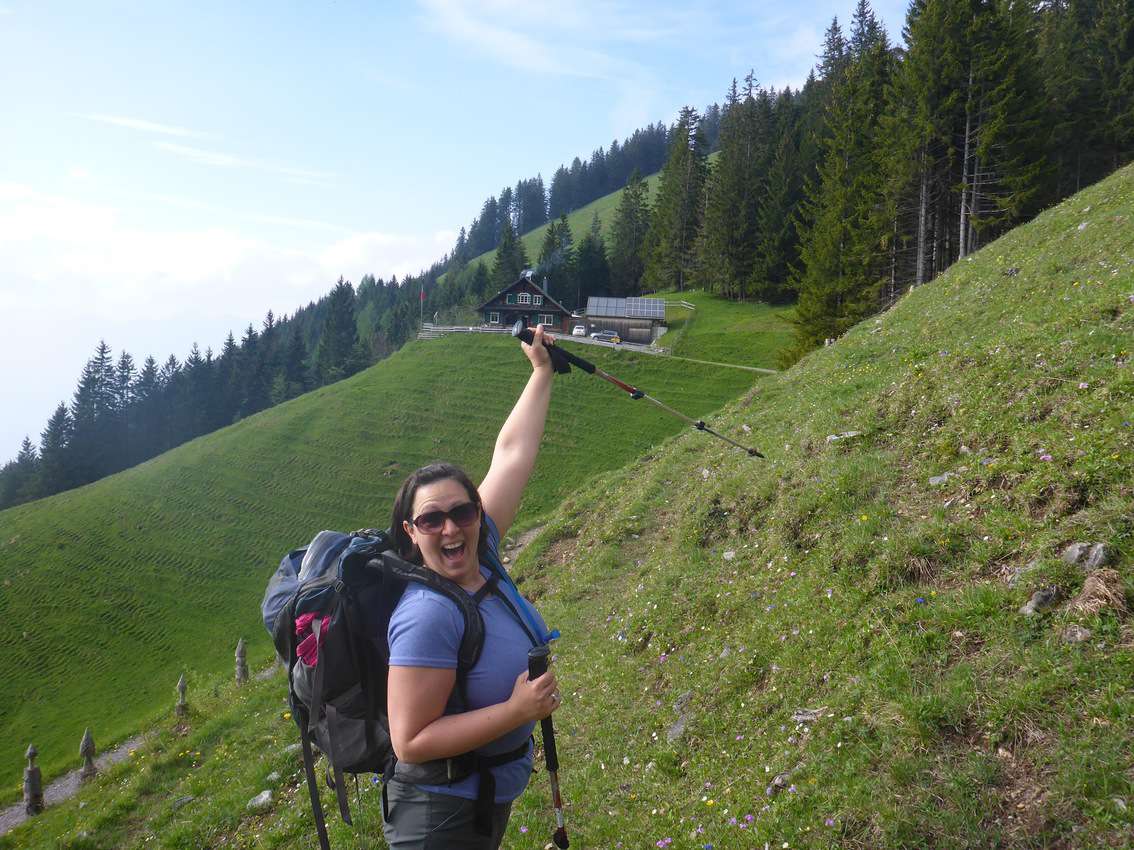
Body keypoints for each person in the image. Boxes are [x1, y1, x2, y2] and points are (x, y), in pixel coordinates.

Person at [382, 324, 561, 849]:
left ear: (479, 513)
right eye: (431, 520)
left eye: (462, 511)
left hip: (479, 799)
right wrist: (516, 712)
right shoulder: (426, 614)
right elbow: (410, 741)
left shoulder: (482, 552)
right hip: (438, 816)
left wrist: (541, 372)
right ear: (411, 535)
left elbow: (511, 453)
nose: (451, 528)